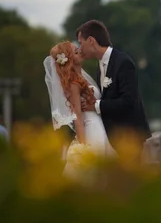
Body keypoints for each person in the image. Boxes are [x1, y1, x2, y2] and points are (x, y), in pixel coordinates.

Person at [77, 20, 151, 161]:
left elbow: (129, 101)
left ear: (91, 40)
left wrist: (96, 105)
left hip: (130, 137)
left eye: (81, 43)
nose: (80, 49)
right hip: (113, 138)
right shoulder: (100, 66)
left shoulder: (123, 62)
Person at [44, 40, 115, 177]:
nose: (80, 52)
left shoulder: (83, 78)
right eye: (76, 52)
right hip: (91, 129)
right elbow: (77, 118)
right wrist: (83, 147)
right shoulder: (73, 84)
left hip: (100, 126)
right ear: (69, 59)